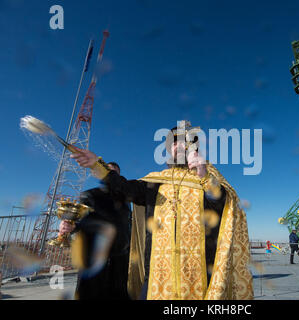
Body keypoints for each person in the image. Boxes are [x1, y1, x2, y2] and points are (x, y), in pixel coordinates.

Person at [69, 121, 253, 300]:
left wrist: (205, 177)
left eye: (185, 141)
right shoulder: (155, 182)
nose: (179, 146)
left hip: (199, 275)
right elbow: (124, 188)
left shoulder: (207, 178)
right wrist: (96, 164)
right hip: (158, 277)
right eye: (174, 142)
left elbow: (224, 209)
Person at [59, 162, 132, 299]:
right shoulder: (89, 196)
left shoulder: (126, 202)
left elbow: (128, 226)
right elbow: (77, 221)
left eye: (114, 173)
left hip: (120, 260)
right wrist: (67, 225)